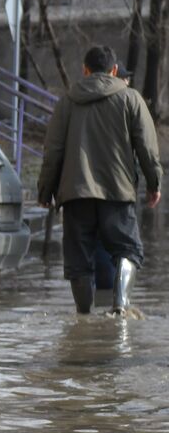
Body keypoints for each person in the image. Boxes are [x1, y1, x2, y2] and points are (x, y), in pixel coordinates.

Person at [38, 45, 162, 315]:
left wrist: (45, 190)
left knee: (79, 263)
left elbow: (53, 150)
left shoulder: (67, 102)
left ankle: (83, 319)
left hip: (75, 194)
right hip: (118, 192)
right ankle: (121, 308)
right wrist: (154, 184)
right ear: (115, 71)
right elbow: (147, 148)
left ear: (84, 70)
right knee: (127, 250)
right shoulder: (130, 99)